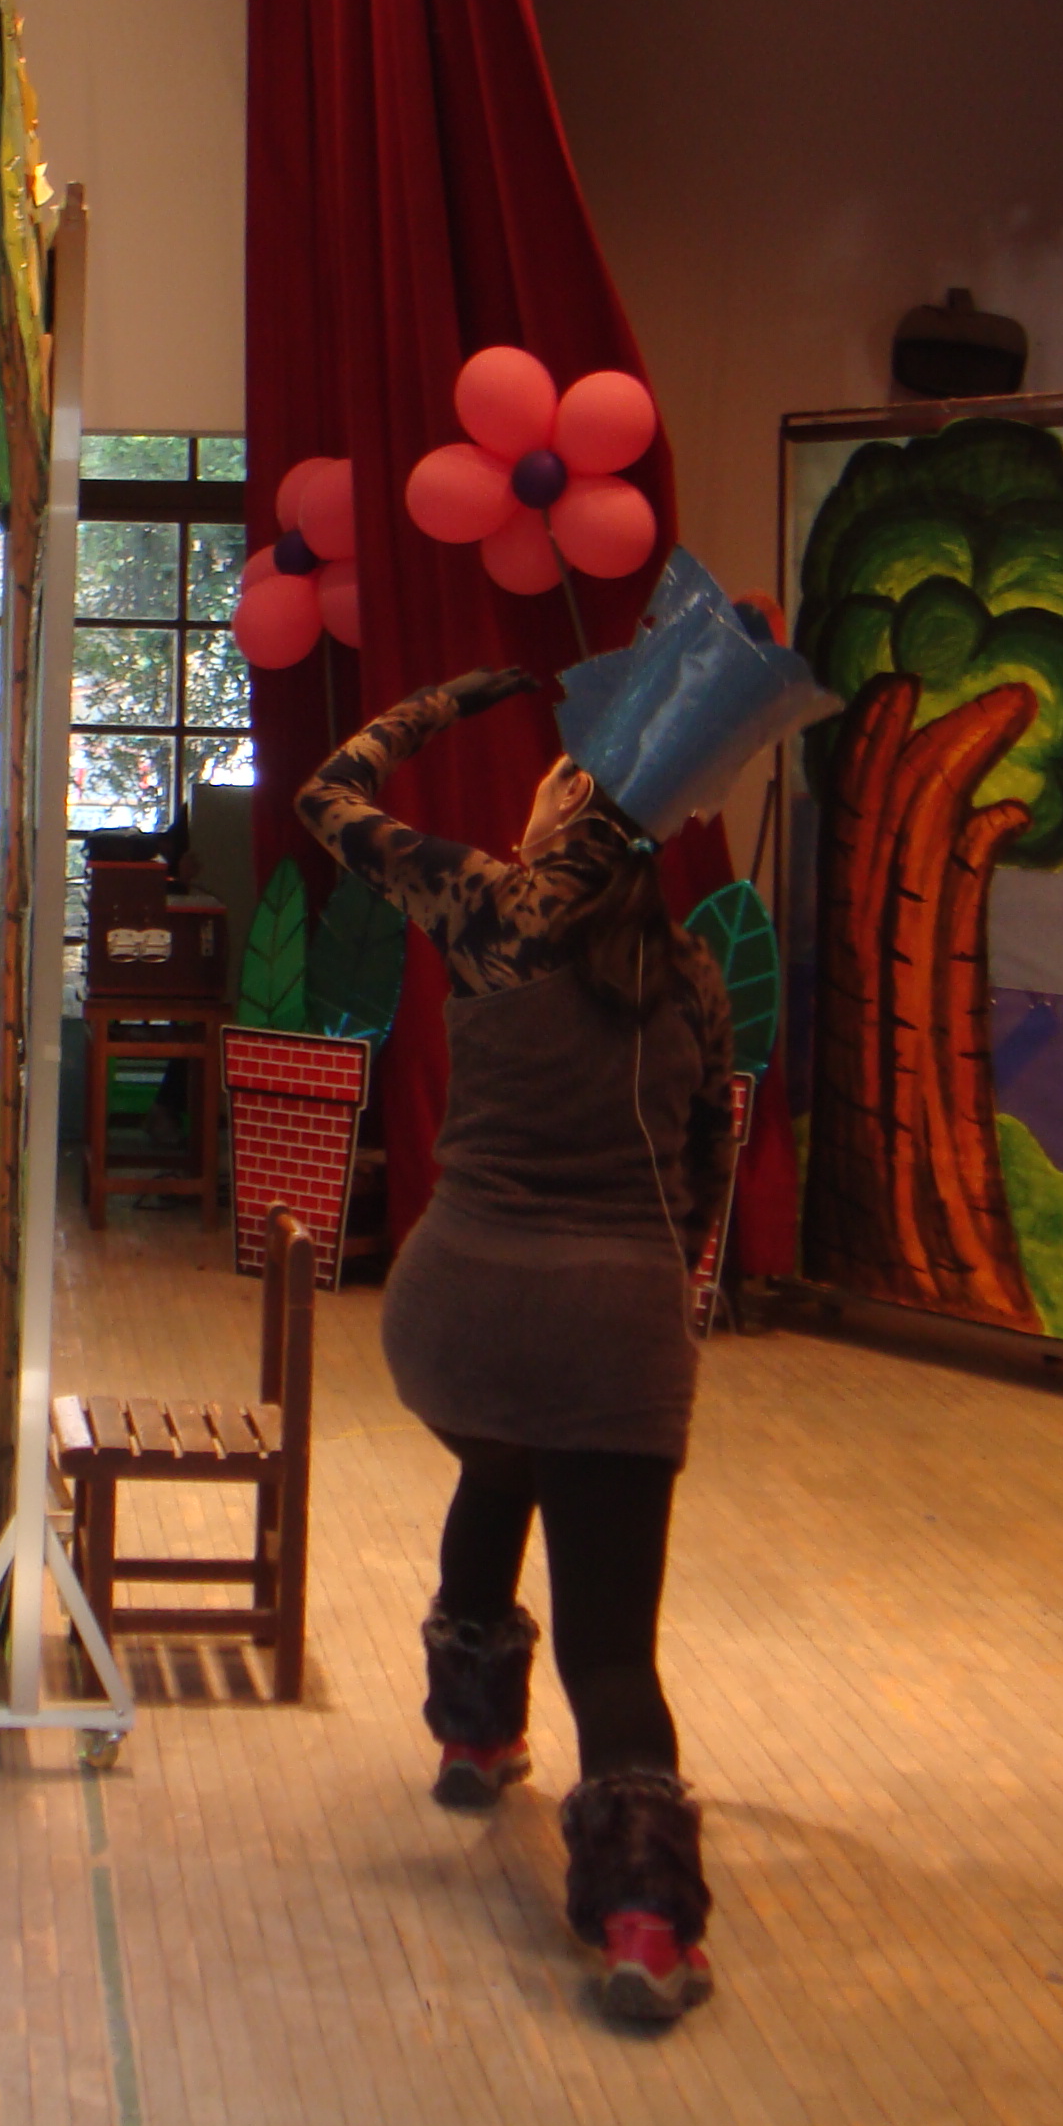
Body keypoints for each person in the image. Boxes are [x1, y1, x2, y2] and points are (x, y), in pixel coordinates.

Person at [296, 547, 832, 2027]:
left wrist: (445, 701)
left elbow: (327, 797)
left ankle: (473, 1737)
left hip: (456, 1315)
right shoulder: (689, 973)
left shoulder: (482, 907)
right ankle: (645, 1918)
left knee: (499, 1462)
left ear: (567, 807)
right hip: (618, 1330)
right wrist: (659, 1306)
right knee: (612, 1648)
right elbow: (706, 1174)